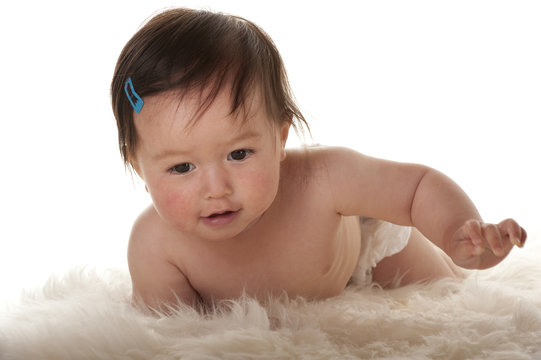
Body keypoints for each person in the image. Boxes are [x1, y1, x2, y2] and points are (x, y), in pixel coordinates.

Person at [111, 8, 526, 311]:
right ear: (138, 167)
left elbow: (415, 188)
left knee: (451, 301)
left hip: (365, 254)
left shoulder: (322, 179)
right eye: (182, 168)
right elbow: (171, 341)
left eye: (239, 154)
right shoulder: (155, 246)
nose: (216, 188)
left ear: (279, 137)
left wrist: (458, 233)